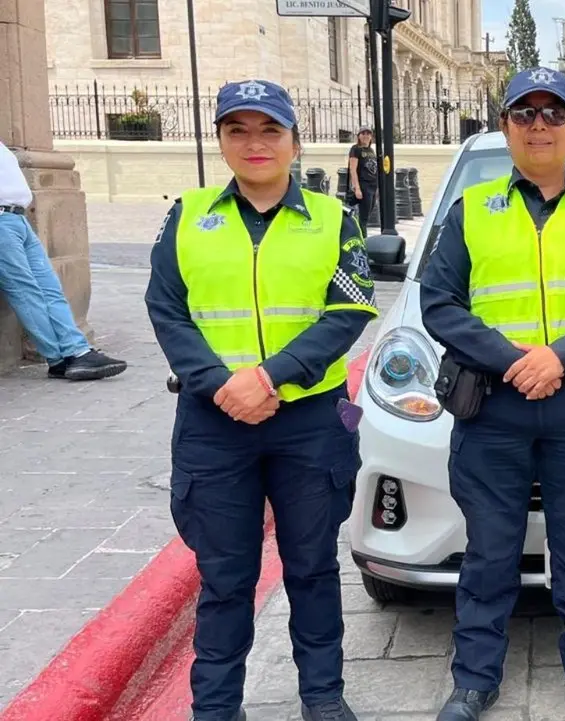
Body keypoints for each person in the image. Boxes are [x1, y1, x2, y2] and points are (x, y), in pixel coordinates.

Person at [420, 66, 565, 721]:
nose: (539, 125)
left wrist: (560, 356)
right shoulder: (473, 212)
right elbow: (438, 302)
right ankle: (473, 681)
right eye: (525, 112)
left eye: (554, 113)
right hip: (492, 408)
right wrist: (513, 360)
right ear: (505, 128)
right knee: (490, 553)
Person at [145, 79, 378, 721]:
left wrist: (270, 377)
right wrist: (223, 384)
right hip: (213, 419)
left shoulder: (334, 219)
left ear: (294, 142)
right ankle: (216, 708)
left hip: (309, 422)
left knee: (310, 568)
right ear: (219, 142)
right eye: (238, 130)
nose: (254, 143)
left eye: (269, 130)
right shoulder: (189, 215)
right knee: (225, 577)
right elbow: (166, 308)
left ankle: (323, 699)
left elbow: (350, 308)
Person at [0, 139, 127, 380]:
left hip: (18, 219)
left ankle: (72, 352)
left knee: (50, 288)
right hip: (2, 221)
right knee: (26, 292)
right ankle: (63, 357)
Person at [346, 127, 378, 235]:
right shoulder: (355, 149)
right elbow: (353, 169)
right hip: (364, 185)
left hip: (373, 186)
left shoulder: (371, 151)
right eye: (363, 133)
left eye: (368, 134)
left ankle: (358, 234)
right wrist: (357, 188)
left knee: (368, 214)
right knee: (363, 217)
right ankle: (363, 239)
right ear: (359, 136)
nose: (366, 136)